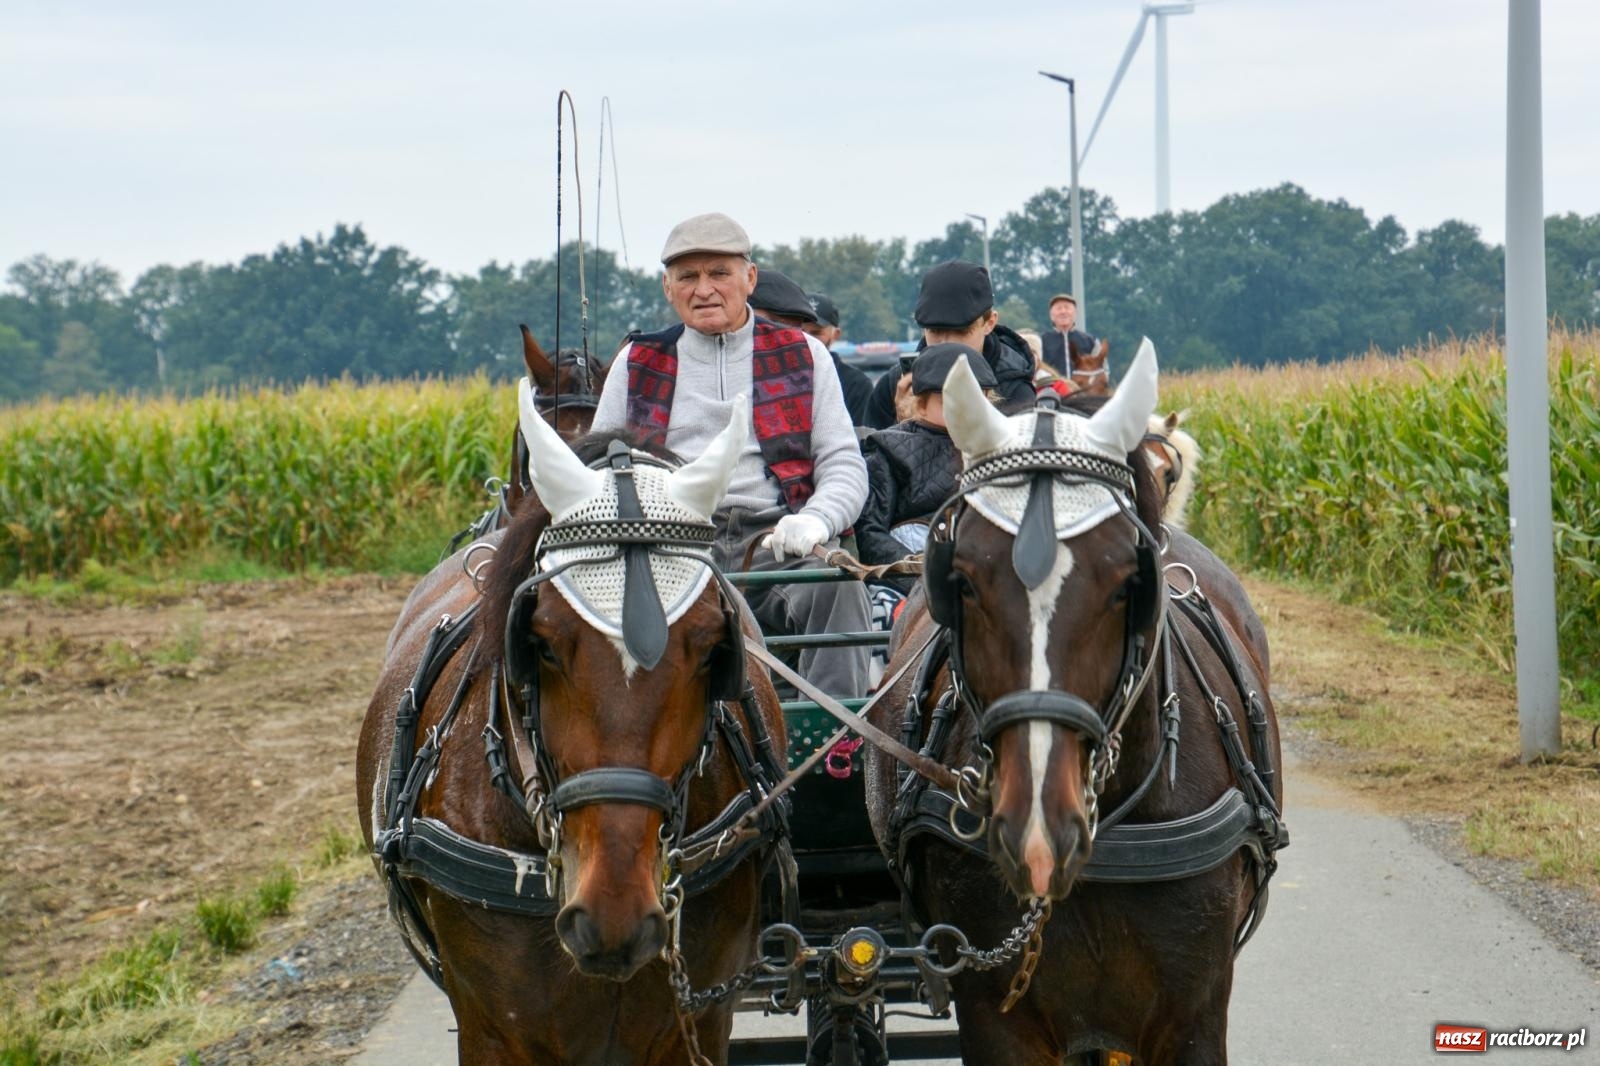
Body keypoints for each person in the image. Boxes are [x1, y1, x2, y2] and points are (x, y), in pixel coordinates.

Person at [592, 212, 873, 698]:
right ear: (667, 288)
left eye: (719, 273)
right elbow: (599, 471)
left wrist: (816, 521)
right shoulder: (635, 364)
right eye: (688, 277)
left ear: (750, 278)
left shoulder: (805, 355)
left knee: (840, 586)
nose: (704, 289)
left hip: (775, 544)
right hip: (669, 545)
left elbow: (844, 464)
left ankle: (834, 741)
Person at [855, 343, 996, 588]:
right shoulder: (889, 448)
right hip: (911, 570)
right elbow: (870, 531)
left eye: (975, 400)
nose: (964, 410)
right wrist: (916, 573)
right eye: (950, 402)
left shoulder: (998, 449)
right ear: (921, 405)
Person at [862, 261, 1036, 429]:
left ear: (989, 323)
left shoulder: (1015, 390)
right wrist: (905, 426)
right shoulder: (895, 386)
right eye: (935, 331)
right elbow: (869, 455)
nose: (945, 344)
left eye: (961, 332)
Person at [809, 293, 873, 427]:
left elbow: (860, 441)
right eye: (801, 331)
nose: (808, 339)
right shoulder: (777, 378)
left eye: (816, 333)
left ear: (835, 334)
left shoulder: (857, 384)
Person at [1040, 293, 1104, 382]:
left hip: (1082, 391)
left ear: (1075, 314)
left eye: (1067, 308)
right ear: (1051, 315)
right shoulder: (1041, 341)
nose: (1063, 311)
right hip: (1052, 390)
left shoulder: (1090, 341)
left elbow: (1101, 369)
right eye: (1058, 308)